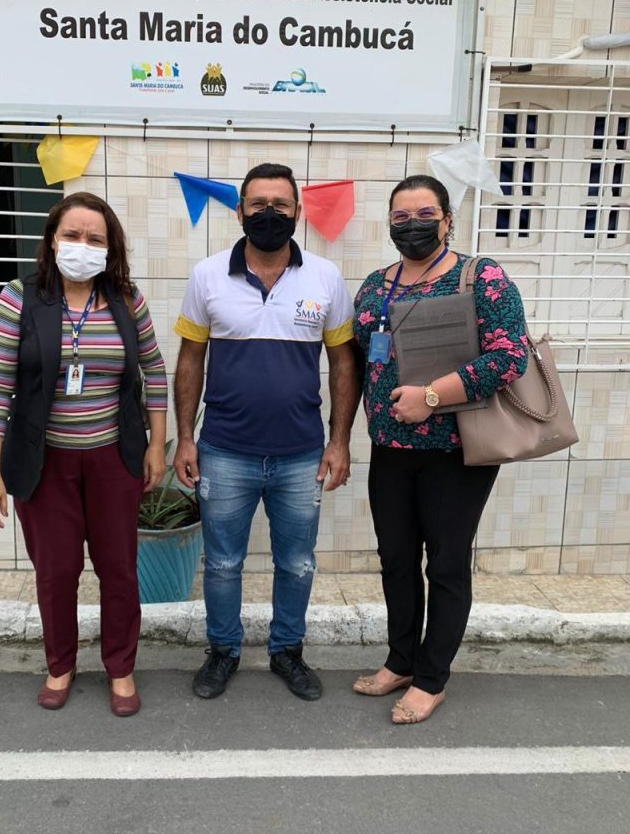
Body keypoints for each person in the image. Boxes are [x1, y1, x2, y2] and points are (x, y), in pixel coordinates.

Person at [0, 191, 167, 717]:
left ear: (110, 248)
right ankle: (59, 664)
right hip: (44, 464)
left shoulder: (127, 300)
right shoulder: (19, 298)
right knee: (56, 572)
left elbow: (154, 372)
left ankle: (121, 667)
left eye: (95, 238)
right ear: (52, 240)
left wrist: (156, 445)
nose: (83, 245)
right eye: (73, 235)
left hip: (113, 460)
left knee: (119, 570)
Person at [173, 163, 358, 701]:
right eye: (258, 204)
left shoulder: (326, 277)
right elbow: (190, 359)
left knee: (296, 563)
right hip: (224, 451)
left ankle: (287, 651)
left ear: (298, 212)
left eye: (280, 204)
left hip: (301, 455)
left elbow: (343, 364)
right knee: (222, 563)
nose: (269, 213)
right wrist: (185, 437)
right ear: (240, 211)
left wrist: (339, 441)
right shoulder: (208, 275)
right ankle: (223, 651)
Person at [352, 174, 528, 723]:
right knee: (395, 559)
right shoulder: (375, 286)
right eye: (401, 217)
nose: (413, 225)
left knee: (446, 564)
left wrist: (431, 396)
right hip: (389, 447)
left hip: (456, 450)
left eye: (425, 214)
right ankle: (401, 660)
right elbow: (359, 358)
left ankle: (432, 679)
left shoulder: (482, 277)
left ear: (448, 220)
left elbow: (509, 356)